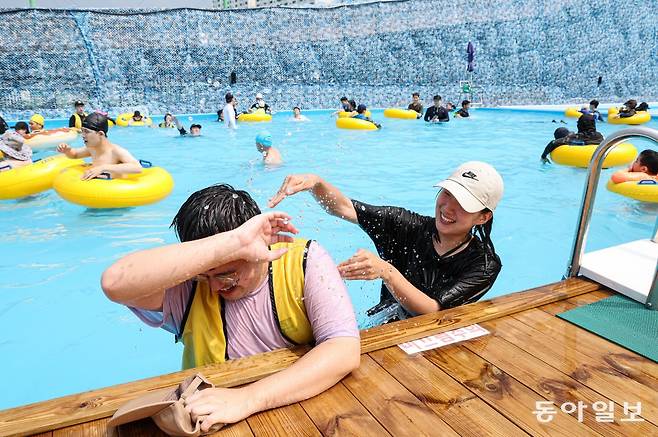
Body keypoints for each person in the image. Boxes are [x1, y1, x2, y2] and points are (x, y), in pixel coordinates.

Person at [100, 184, 360, 431]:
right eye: (205, 275)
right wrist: (229, 245)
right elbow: (114, 282)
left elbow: (343, 349)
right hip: (207, 419)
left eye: (227, 275)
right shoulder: (187, 283)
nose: (213, 288)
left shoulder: (304, 261)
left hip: (302, 411)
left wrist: (248, 399)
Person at [269, 161, 504, 324]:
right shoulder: (406, 225)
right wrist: (316, 183)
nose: (449, 207)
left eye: (464, 203)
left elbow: (433, 311)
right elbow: (343, 207)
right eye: (448, 193)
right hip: (382, 326)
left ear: (483, 217)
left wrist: (386, 271)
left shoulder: (484, 264)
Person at [56, 113, 142, 181]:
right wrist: (67, 150)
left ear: (100, 134)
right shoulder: (92, 148)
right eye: (82, 131)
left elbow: (137, 167)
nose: (82, 135)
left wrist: (103, 167)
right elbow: (75, 155)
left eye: (86, 132)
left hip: (116, 192)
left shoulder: (115, 151)